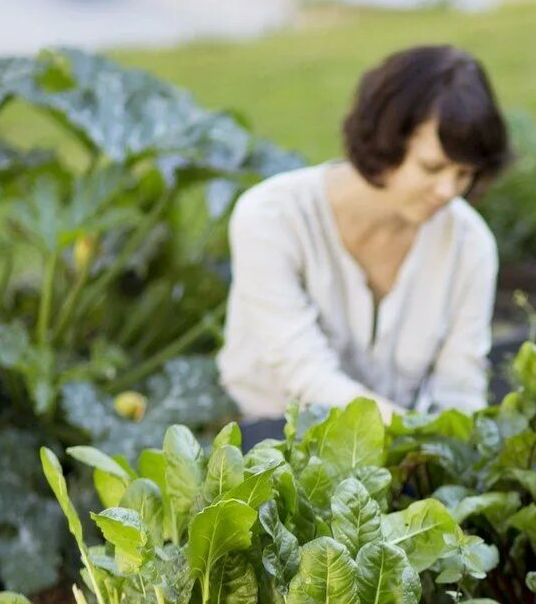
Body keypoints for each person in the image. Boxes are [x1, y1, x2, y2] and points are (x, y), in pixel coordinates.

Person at [217, 45, 509, 433]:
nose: (448, 190)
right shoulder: (272, 218)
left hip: (392, 455)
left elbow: (460, 391)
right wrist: (417, 437)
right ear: (385, 140)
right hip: (264, 442)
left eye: (464, 174)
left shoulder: (469, 246)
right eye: (432, 167)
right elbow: (303, 373)